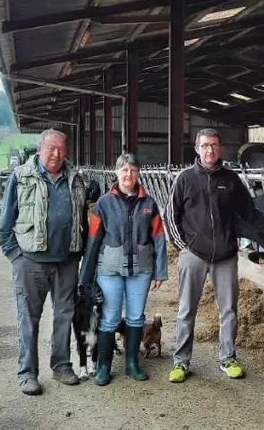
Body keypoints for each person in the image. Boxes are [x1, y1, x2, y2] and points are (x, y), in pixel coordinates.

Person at [164, 128, 264, 383]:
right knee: (186, 309)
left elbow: (250, 213)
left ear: (221, 148)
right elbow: (171, 215)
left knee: (229, 310)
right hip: (193, 253)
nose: (210, 150)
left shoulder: (231, 179)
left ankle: (227, 357)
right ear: (196, 148)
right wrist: (182, 244)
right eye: (205, 146)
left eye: (214, 145)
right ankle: (181, 362)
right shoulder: (185, 178)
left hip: (225, 254)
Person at [0, 129, 87, 396]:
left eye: (61, 149)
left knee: (64, 316)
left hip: (66, 261)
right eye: (51, 149)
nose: (56, 155)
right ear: (39, 149)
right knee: (28, 319)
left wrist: (78, 252)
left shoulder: (76, 179)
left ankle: (61, 366)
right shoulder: (21, 177)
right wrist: (16, 257)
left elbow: (81, 219)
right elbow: (5, 222)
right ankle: (27, 374)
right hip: (30, 262)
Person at [79, 153, 168, 386]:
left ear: (139, 174)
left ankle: (131, 364)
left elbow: (158, 238)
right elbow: (93, 241)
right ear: (116, 173)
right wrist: (86, 277)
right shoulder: (104, 204)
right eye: (124, 170)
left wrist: (160, 271)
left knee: (136, 317)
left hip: (142, 270)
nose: (129, 175)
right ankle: (104, 367)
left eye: (133, 170)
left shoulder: (149, 204)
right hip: (109, 270)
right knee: (109, 318)